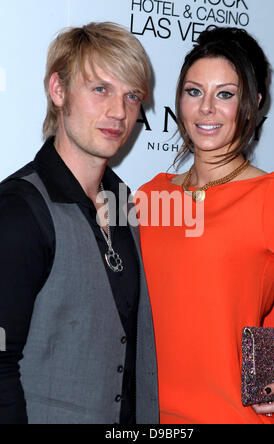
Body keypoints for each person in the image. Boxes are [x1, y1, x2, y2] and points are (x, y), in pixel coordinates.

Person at [137, 27, 274, 424]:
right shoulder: (149, 196)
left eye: (224, 94)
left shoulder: (273, 196)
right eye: (194, 92)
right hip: (146, 418)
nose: (206, 108)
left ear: (252, 104)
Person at [0, 22, 159, 425]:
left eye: (131, 96)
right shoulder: (19, 209)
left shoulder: (126, 205)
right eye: (100, 89)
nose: (119, 112)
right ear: (58, 91)